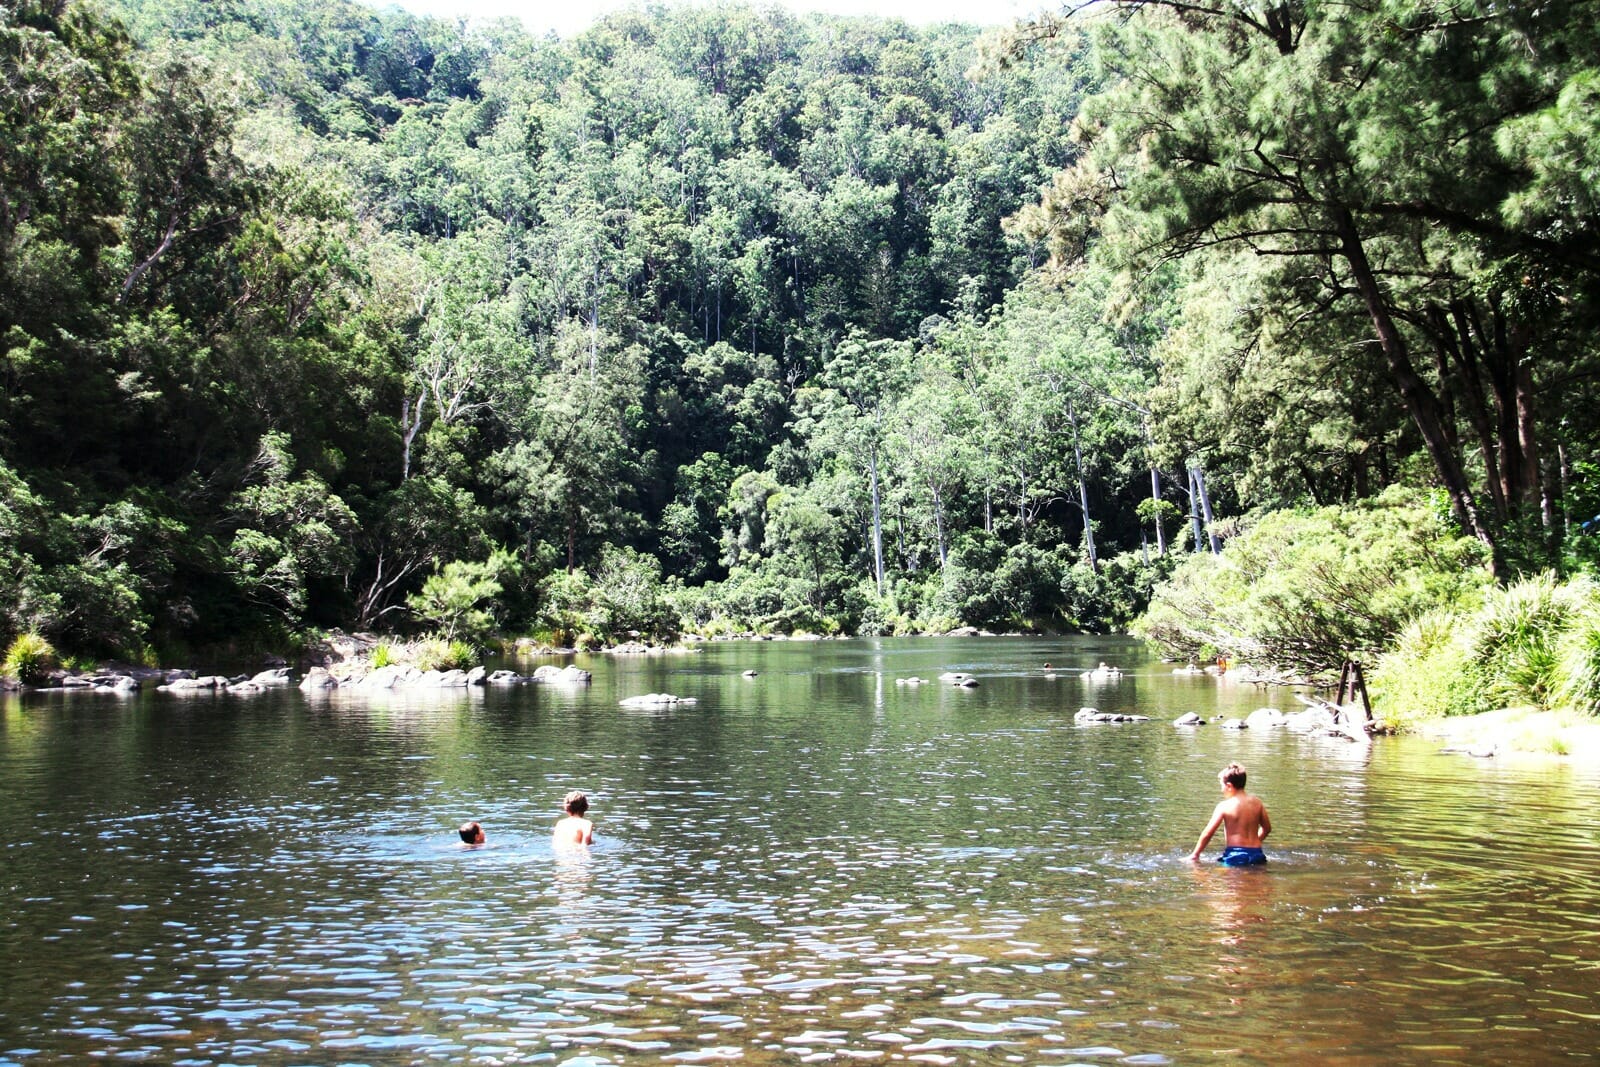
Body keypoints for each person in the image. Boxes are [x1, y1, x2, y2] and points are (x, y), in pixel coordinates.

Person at [1188, 762, 1271, 865]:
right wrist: (1255, 842)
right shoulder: (1257, 803)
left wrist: (1195, 854)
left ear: (1229, 786)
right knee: (1255, 879)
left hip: (1235, 855)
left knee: (1230, 879)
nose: (1221, 790)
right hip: (1257, 854)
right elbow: (1267, 828)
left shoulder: (1224, 806)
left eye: (1222, 786)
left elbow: (1208, 833)